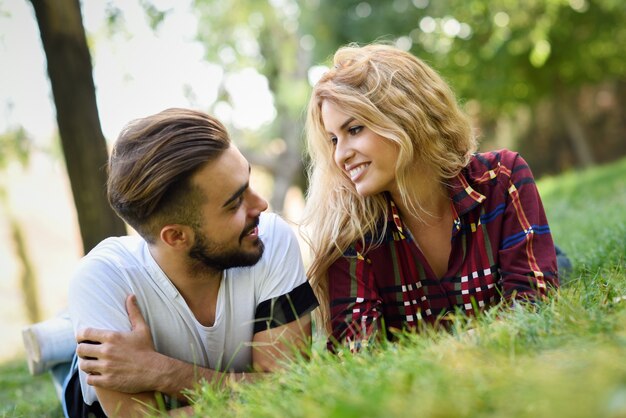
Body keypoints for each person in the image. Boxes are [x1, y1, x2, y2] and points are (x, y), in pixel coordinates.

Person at [300, 43, 560, 352]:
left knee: (559, 263)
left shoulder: (502, 178)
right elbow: (356, 353)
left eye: (355, 129)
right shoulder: (350, 230)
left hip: (520, 248)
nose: (340, 155)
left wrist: (437, 352)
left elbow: (534, 305)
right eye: (333, 139)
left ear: (405, 116)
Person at [61, 108, 318, 417]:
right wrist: (260, 391)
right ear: (176, 237)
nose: (260, 204)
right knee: (74, 351)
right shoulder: (100, 278)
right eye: (235, 202)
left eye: (248, 181)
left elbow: (291, 390)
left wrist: (160, 370)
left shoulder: (267, 236)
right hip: (89, 397)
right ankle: (60, 342)